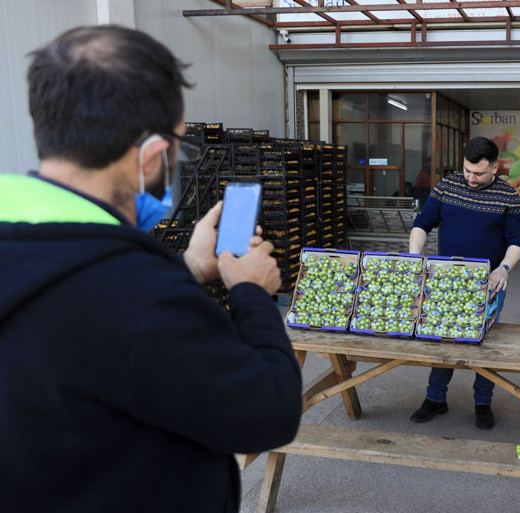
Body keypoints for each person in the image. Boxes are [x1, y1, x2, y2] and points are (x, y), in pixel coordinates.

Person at [0, 26, 302, 512]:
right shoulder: (137, 292)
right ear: (152, 155)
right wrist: (250, 293)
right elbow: (267, 413)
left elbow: (93, 336)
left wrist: (186, 267)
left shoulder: (39, 253)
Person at [408, 136, 520, 430]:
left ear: (495, 167)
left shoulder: (508, 197)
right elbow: (423, 223)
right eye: (467, 171)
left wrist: (504, 268)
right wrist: (414, 257)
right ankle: (435, 398)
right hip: (446, 279)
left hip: (488, 283)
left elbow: (518, 240)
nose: (471, 178)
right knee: (442, 336)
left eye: (479, 173)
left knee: (484, 342)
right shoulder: (447, 186)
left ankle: (483, 402)